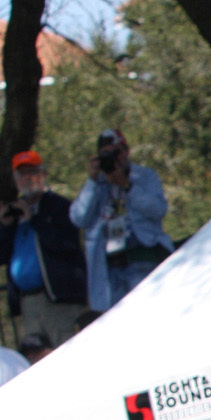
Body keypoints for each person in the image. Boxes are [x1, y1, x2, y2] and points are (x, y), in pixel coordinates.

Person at [0, 151, 87, 344]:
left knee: (66, 352)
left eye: (32, 172)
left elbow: (67, 245)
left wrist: (34, 220)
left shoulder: (59, 207)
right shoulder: (17, 212)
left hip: (58, 298)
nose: (27, 178)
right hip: (28, 302)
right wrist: (6, 225)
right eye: (22, 174)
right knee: (37, 358)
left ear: (43, 174)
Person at [71, 130, 172, 311]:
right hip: (107, 270)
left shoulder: (144, 176)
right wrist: (93, 181)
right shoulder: (97, 184)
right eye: (105, 154)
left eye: (116, 152)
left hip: (141, 259)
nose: (113, 159)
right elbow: (79, 218)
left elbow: (158, 210)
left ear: (126, 152)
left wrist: (127, 186)